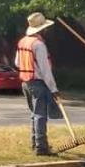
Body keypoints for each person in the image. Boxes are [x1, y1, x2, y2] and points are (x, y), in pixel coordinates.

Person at [16, 12, 60, 156]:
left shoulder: (22, 41)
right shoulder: (39, 45)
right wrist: (54, 89)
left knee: (34, 114)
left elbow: (17, 62)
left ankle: (35, 142)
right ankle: (42, 147)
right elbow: (45, 69)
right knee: (40, 115)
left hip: (25, 82)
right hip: (38, 83)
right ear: (42, 29)